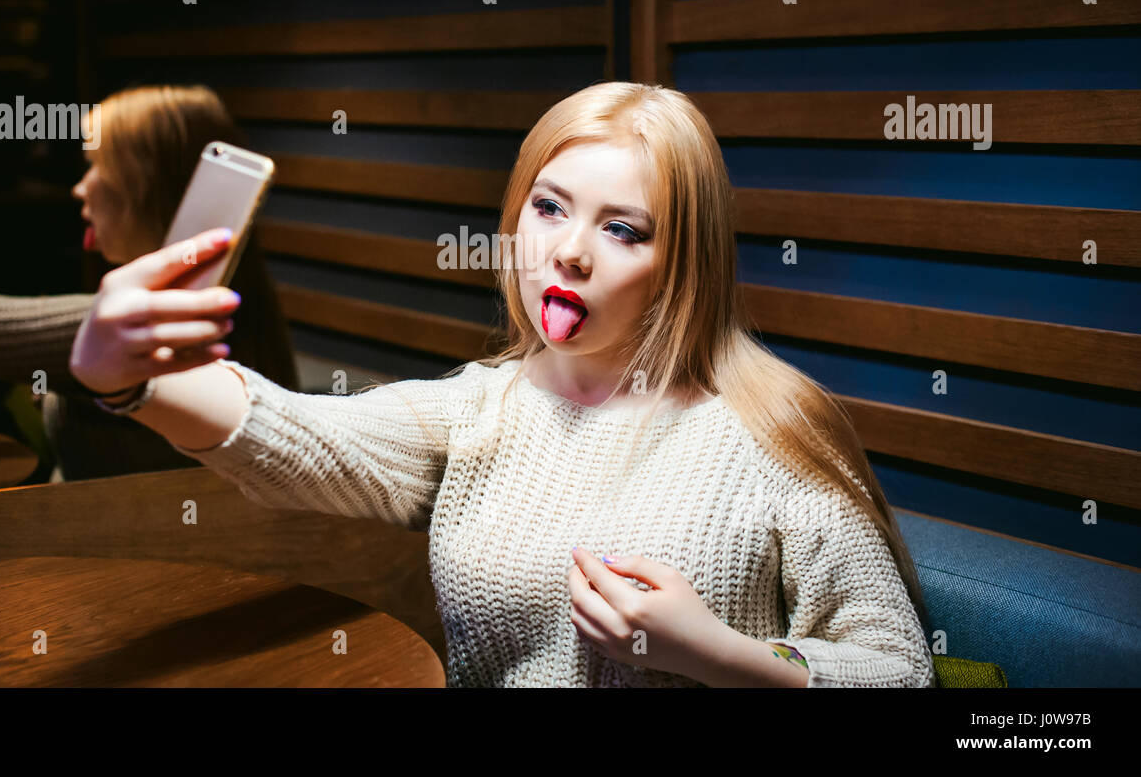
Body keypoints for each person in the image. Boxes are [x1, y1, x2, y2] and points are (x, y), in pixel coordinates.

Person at [69, 82, 936, 687]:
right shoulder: (482, 408)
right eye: (549, 207)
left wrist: (715, 656)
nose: (569, 251)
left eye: (624, 229)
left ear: (686, 263)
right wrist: (127, 378)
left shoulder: (772, 426)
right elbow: (295, 435)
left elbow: (898, 670)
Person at [0, 84, 299, 481]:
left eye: (96, 165)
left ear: (144, 187)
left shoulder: (142, 331)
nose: (81, 188)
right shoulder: (242, 305)